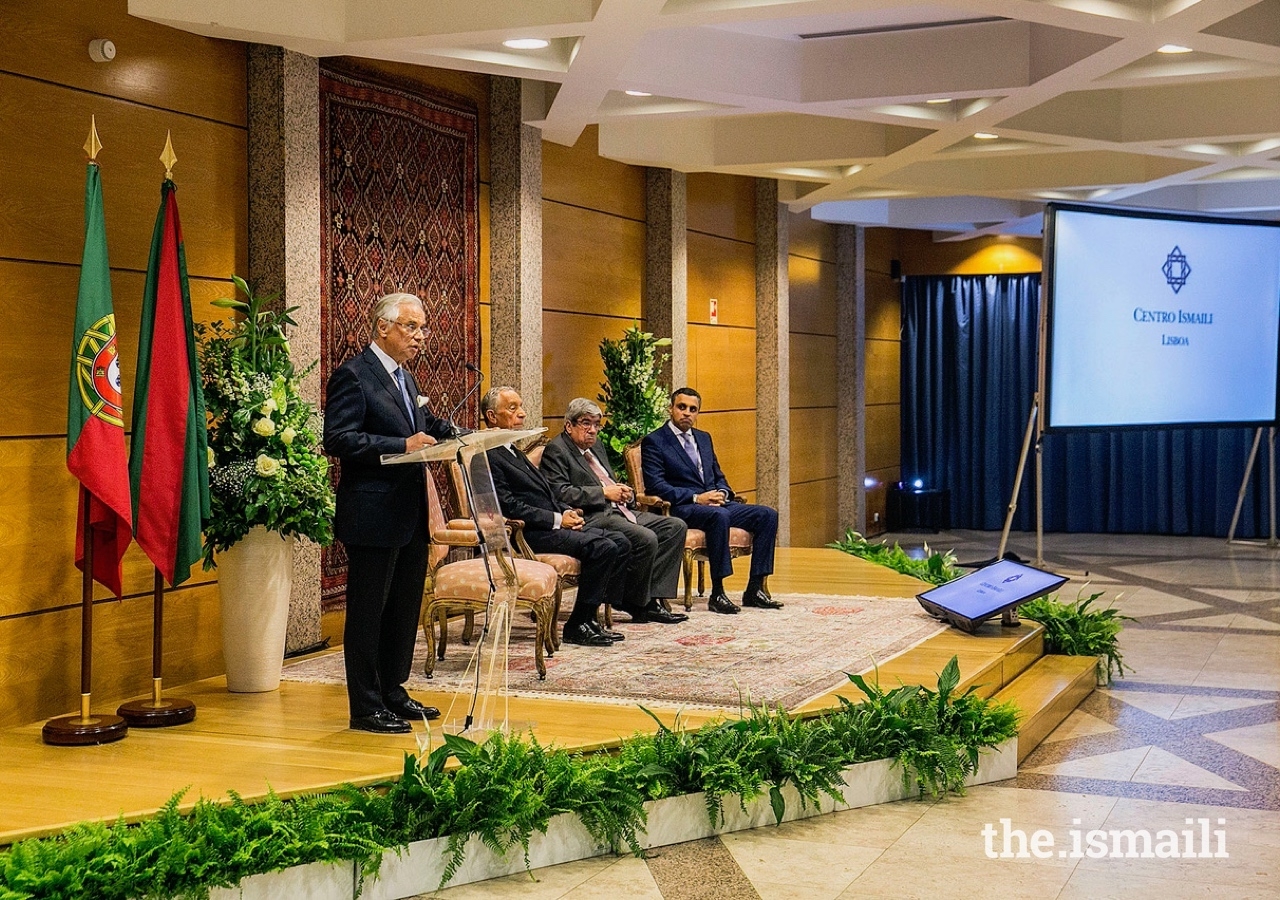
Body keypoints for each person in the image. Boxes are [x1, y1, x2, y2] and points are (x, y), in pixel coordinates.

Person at [323, 292, 451, 734]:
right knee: (368, 611)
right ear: (383, 327)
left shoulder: (406, 379)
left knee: (402, 607)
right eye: (411, 327)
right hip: (372, 512)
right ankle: (365, 706)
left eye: (423, 328)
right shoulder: (354, 376)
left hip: (409, 513)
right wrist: (400, 446)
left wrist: (463, 435)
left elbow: (427, 427)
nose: (421, 337)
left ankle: (394, 690)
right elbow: (338, 439)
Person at [480, 387, 630, 647]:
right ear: (492, 416)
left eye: (521, 406)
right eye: (512, 408)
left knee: (621, 542)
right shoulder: (489, 454)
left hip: (551, 524)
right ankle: (578, 624)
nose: (522, 414)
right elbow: (508, 506)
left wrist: (566, 511)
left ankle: (590, 617)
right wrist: (557, 519)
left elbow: (547, 493)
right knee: (603, 547)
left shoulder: (512, 449)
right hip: (527, 532)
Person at [540, 398, 689, 625]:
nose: (592, 430)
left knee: (674, 526)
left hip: (619, 510)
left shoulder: (596, 447)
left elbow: (606, 478)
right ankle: (638, 603)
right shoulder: (557, 450)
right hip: (591, 516)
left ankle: (651, 598)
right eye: (585, 423)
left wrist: (623, 492)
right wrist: (604, 493)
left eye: (597, 424)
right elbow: (560, 493)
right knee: (646, 538)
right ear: (569, 426)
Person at [641, 387, 782, 615]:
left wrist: (723, 494)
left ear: (698, 413)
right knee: (720, 515)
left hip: (715, 504)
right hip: (682, 507)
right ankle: (718, 593)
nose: (687, 413)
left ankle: (755, 589)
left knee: (767, 514)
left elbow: (718, 476)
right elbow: (656, 486)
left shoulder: (704, 438)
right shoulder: (655, 441)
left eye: (693, 409)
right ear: (671, 409)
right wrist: (697, 497)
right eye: (681, 407)